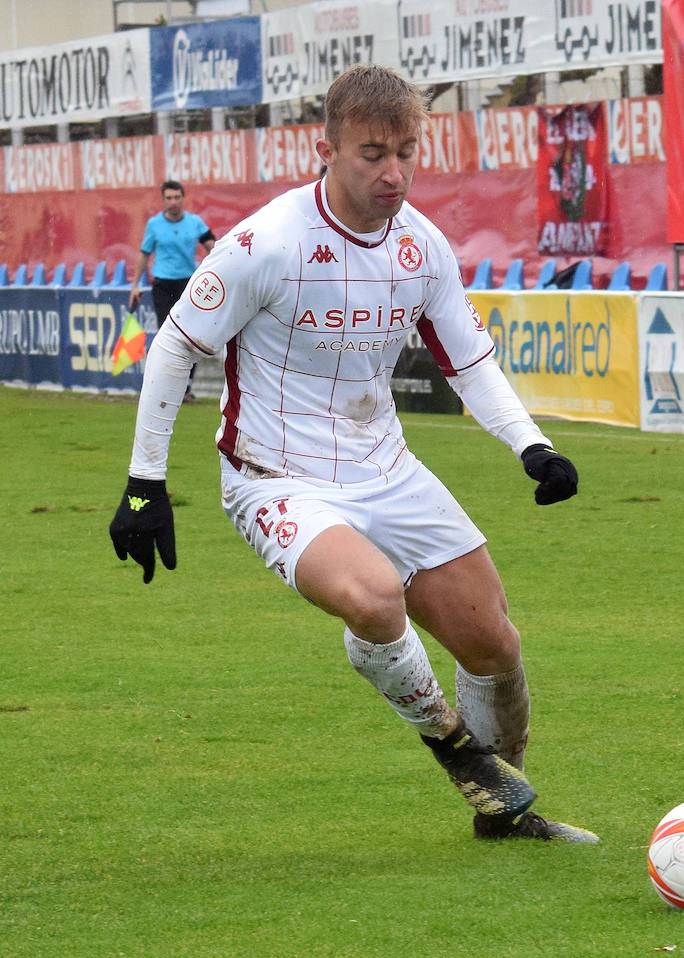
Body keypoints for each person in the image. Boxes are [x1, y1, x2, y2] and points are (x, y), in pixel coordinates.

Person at [108, 64, 596, 844]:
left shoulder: (422, 247)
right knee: (374, 600)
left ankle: (503, 816)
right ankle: (455, 751)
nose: (393, 172)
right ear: (325, 150)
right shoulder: (265, 243)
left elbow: (469, 361)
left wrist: (531, 447)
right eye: (372, 152)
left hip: (389, 469)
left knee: (494, 643)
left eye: (407, 150)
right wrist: (144, 486)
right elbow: (173, 348)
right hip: (278, 477)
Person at [129, 179, 217, 400]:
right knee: (167, 336)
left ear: (183, 198)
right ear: (163, 200)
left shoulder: (194, 223)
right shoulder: (154, 225)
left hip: (187, 284)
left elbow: (214, 248)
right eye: (169, 198)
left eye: (177, 197)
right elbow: (144, 255)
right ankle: (162, 387)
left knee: (191, 336)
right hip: (162, 284)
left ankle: (185, 387)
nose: (173, 202)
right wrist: (135, 286)